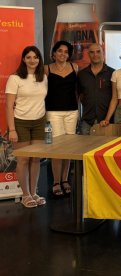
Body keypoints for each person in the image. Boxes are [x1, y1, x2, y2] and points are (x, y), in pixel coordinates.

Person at [5, 46, 47, 207]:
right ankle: (25, 195)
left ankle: (34, 192)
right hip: (20, 122)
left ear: (39, 59)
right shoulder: (15, 79)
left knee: (35, 159)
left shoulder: (43, 77)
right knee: (23, 159)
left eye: (35, 57)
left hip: (39, 121)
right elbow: (9, 106)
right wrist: (12, 129)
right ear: (23, 59)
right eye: (28, 57)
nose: (32, 60)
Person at [45, 40, 79, 197]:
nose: (63, 54)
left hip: (72, 112)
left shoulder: (75, 67)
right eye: (60, 51)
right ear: (54, 53)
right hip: (53, 112)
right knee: (57, 148)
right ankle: (56, 182)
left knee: (69, 148)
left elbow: (78, 91)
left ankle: (65, 180)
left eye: (66, 52)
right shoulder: (47, 69)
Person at [77, 43, 115, 135]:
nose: (95, 55)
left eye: (98, 52)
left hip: (108, 121)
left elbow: (115, 98)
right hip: (87, 121)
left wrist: (107, 118)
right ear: (88, 55)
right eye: (92, 52)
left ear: (103, 54)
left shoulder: (113, 73)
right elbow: (79, 96)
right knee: (85, 148)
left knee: (108, 149)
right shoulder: (81, 74)